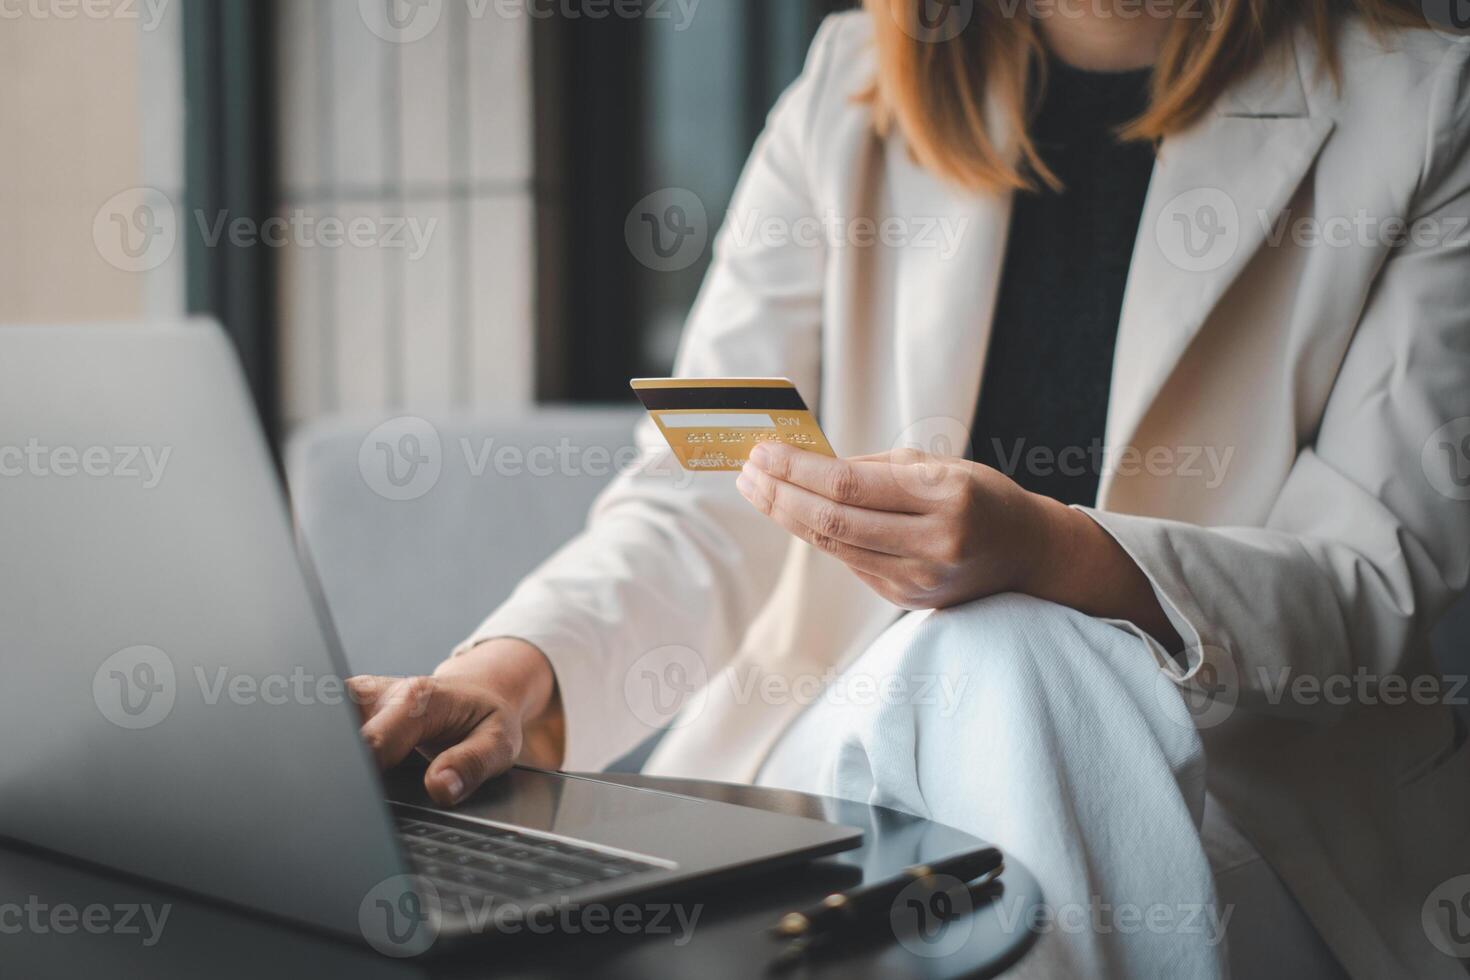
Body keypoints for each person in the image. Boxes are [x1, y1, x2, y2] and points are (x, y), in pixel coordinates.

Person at [349, 2, 1470, 975]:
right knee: (989, 657)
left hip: (1246, 824)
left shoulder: (1423, 106)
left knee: (1014, 647)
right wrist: (513, 675)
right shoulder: (849, 84)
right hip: (854, 771)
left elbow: (1382, 579)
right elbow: (700, 492)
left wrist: (1053, 555)